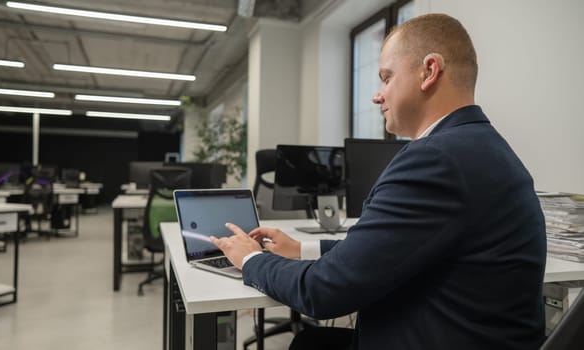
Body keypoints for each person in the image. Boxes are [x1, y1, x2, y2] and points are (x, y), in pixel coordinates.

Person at [211, 13, 546, 350]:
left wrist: (251, 260)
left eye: (387, 78)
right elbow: (391, 247)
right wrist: (302, 248)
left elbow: (323, 292)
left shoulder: (435, 159)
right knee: (311, 342)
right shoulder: (484, 146)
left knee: (309, 343)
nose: (377, 95)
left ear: (428, 71)